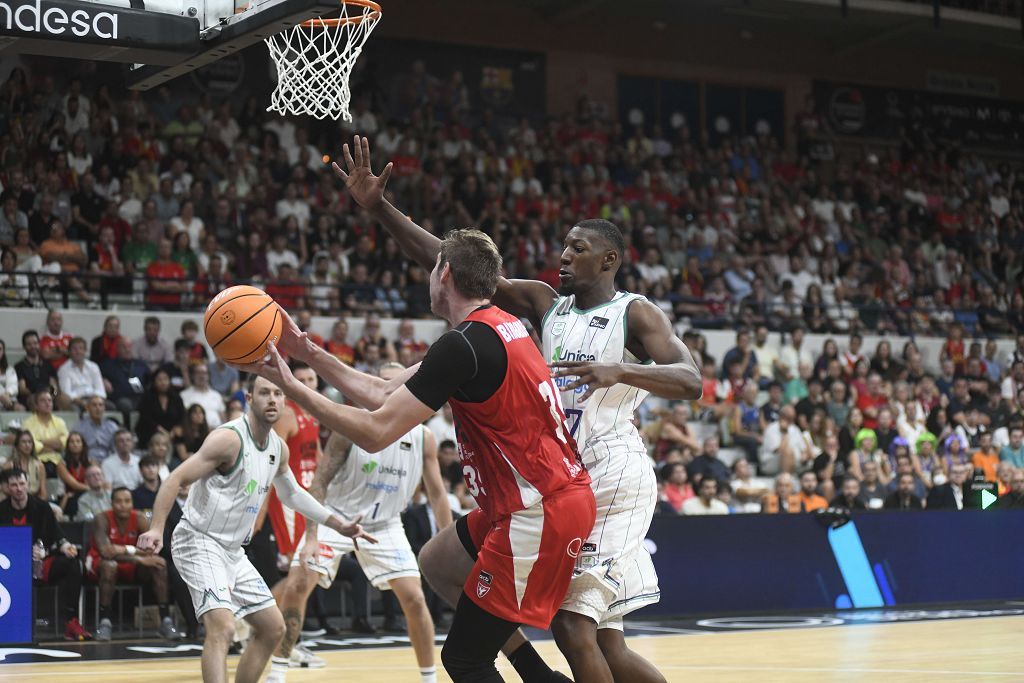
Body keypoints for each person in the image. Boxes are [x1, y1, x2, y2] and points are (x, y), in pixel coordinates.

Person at [333, 135, 700, 683]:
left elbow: (691, 380)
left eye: (577, 248)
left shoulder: (636, 313)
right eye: (563, 245)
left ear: (609, 260)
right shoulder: (543, 302)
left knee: (577, 630)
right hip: (559, 476)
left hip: (614, 476)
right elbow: (456, 268)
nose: (564, 255)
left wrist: (622, 369)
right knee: (594, 637)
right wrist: (379, 209)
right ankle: (533, 671)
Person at [246, 228, 596, 683]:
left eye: (433, 268)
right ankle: (537, 675)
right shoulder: (495, 327)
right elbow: (382, 391)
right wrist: (304, 350)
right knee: (439, 562)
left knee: (464, 660)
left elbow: (375, 431)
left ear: (444, 273)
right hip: (537, 497)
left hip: (539, 509)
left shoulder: (462, 346)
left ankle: (538, 675)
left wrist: (293, 388)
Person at [136, 375, 373, 683]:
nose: (272, 399)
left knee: (273, 628)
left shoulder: (278, 448)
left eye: (278, 393)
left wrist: (338, 524)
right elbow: (175, 479)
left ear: (286, 402)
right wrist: (156, 528)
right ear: (249, 399)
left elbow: (293, 494)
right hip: (198, 540)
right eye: (264, 393)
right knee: (222, 627)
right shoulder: (228, 439)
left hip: (233, 552)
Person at [269, 363, 452, 682]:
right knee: (299, 582)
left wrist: (449, 540)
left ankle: (429, 678)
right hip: (336, 517)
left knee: (415, 598)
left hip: (385, 524)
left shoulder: (424, 437)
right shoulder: (349, 427)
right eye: (379, 383)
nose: (386, 390)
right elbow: (319, 483)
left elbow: (437, 494)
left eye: (393, 384)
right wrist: (312, 537)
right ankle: (277, 672)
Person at [0, 468, 91, 640]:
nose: (18, 488)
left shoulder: (42, 507)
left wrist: (65, 546)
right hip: (10, 568)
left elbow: (57, 535)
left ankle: (71, 622)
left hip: (41, 563)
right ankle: (10, 625)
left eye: (22, 484)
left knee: (73, 564)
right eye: (14, 485)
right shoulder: (1, 510)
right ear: (6, 488)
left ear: (28, 485)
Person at [87, 487, 180, 640]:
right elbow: (106, 552)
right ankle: (104, 623)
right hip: (101, 565)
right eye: (118, 501)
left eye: (127, 501)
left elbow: (150, 549)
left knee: (159, 563)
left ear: (132, 503)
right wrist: (138, 556)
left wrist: (125, 550)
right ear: (111, 503)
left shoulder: (140, 518)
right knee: (110, 566)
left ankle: (165, 621)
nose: (123, 505)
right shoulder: (101, 519)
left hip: (130, 565)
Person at [264, 362, 323, 565]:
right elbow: (271, 461)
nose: (306, 384)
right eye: (301, 380)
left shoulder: (314, 412)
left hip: (308, 496)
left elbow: (317, 455)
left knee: (309, 565)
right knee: (296, 563)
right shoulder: (287, 414)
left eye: (310, 379)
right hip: (289, 497)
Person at [57, 336, 107, 411]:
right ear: (69, 351)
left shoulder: (94, 367)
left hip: (94, 399)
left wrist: (93, 402)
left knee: (111, 407)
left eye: (81, 348)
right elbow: (67, 394)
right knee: (75, 409)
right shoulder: (64, 369)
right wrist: (82, 403)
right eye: (74, 349)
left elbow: (101, 390)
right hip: (76, 401)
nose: (78, 352)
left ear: (85, 351)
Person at [16, 329, 58, 407]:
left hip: (49, 396)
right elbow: (22, 390)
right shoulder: (19, 366)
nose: (33, 346)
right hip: (29, 398)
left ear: (39, 344)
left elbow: (54, 388)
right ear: (24, 347)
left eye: (35, 343)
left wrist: (51, 396)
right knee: (36, 400)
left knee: (61, 399)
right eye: (29, 344)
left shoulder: (48, 365)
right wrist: (40, 394)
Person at [2, 429, 47, 499]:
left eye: (30, 442)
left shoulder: (39, 466)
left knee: (57, 510)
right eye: (23, 442)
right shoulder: (8, 466)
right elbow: (3, 488)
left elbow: (43, 492)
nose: (27, 445)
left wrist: (39, 505)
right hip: (13, 501)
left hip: (34, 500)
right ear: (17, 445)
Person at [72, 395, 119, 460]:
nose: (98, 408)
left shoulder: (112, 426)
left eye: (100, 405)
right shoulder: (79, 427)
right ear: (88, 408)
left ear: (104, 408)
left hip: (108, 461)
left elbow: (117, 449)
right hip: (86, 460)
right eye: (94, 405)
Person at [180, 364, 225, 428]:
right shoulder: (184, 395)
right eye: (198, 373)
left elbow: (223, 419)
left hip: (216, 432)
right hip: (196, 433)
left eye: (204, 373)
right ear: (193, 376)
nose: (201, 376)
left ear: (208, 376)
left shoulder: (216, 395)